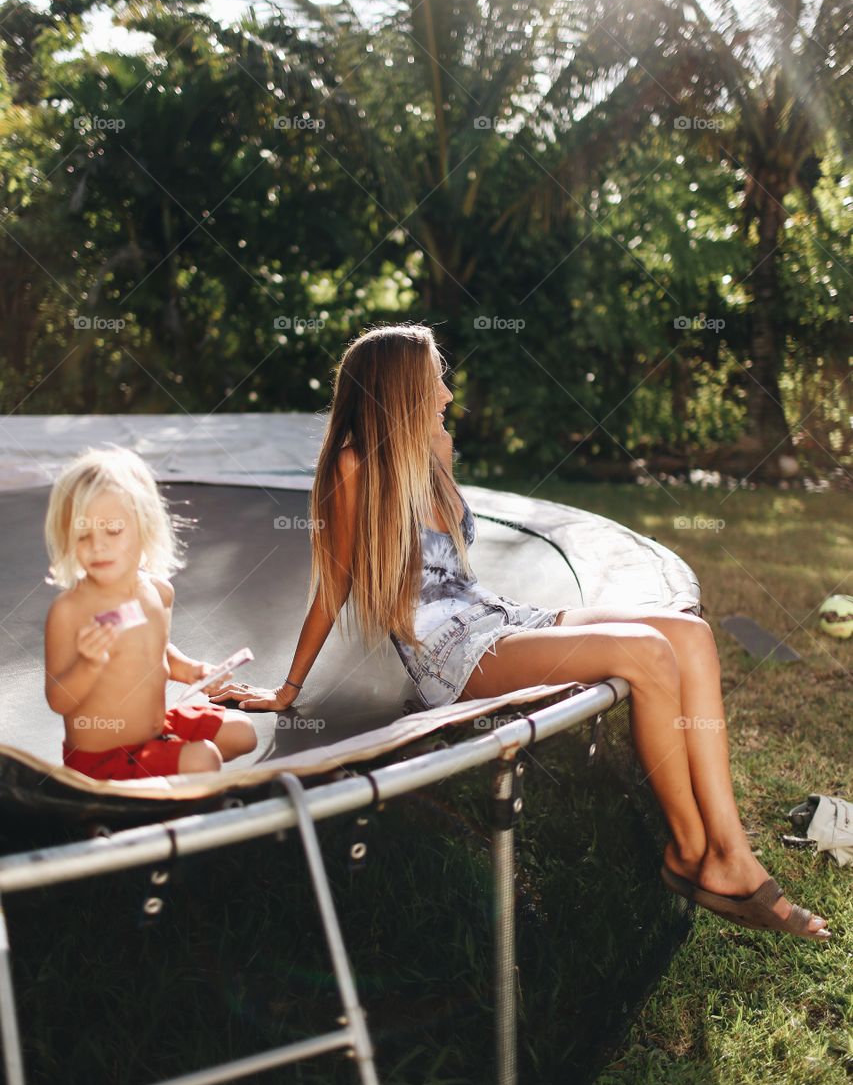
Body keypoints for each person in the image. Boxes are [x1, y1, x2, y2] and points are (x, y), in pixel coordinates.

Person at [207, 323, 830, 940]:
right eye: (435, 382)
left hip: (497, 617)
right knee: (647, 652)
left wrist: (438, 460)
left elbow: (459, 573)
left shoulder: (437, 452)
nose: (448, 395)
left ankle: (732, 850)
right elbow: (335, 585)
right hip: (447, 653)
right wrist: (287, 690)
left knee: (689, 635)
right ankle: (693, 853)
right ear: (399, 391)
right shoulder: (355, 468)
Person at [44, 446, 257, 781]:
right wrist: (89, 663)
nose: (98, 546)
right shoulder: (70, 611)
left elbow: (157, 653)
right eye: (83, 535)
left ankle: (163, 774)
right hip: (100, 758)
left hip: (154, 731)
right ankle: (162, 808)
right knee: (205, 759)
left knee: (243, 732)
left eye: (113, 531)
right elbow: (58, 699)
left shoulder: (157, 592)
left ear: (145, 526)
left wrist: (195, 670)